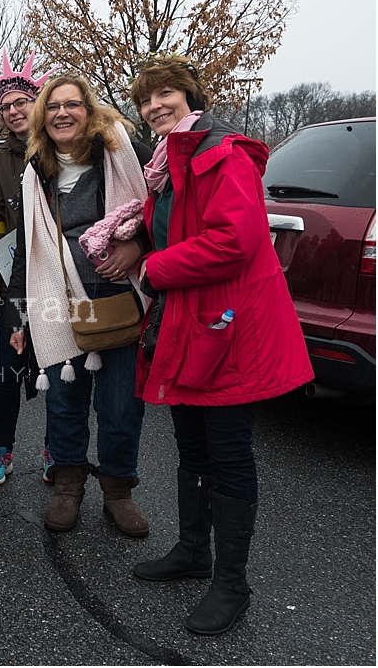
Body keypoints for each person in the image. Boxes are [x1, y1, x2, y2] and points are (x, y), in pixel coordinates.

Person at [128, 56, 312, 635]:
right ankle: (193, 551)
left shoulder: (221, 154)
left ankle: (233, 583)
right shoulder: (167, 162)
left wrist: (155, 267)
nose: (156, 106)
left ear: (190, 95)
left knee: (229, 454)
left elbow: (235, 238)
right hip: (189, 322)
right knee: (193, 447)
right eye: (146, 99)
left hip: (228, 327)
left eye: (166, 95)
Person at [3, 75, 153, 538]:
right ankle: (67, 486)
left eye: (73, 104)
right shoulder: (35, 172)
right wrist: (18, 314)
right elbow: (25, 249)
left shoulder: (127, 156)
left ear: (90, 111)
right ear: (41, 119)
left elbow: (162, 213)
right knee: (65, 402)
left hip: (121, 300)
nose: (62, 113)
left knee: (122, 405)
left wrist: (139, 246)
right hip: (56, 300)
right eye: (53, 107)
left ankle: (118, 492)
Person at [0, 50, 56, 484]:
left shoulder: (65, 149)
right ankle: (1, 450)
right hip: (15, 285)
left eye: (22, 101)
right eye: (6, 106)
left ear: (37, 101)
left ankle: (55, 449)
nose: (14, 111)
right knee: (6, 369)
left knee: (60, 370)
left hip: (63, 282)